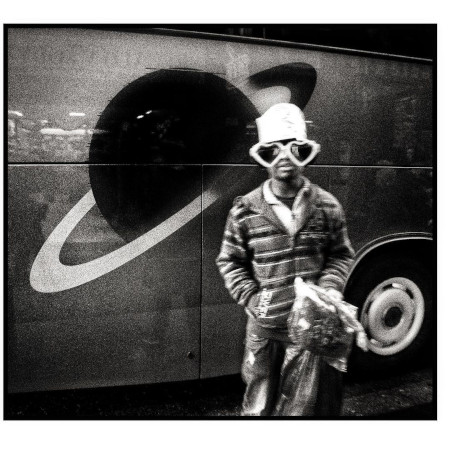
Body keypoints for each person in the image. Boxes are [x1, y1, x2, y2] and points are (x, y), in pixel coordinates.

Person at [216, 103, 355, 416]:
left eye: (294, 149)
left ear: (306, 152)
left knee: (301, 409)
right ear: (262, 157)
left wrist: (330, 287)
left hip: (309, 331)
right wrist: (252, 298)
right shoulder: (244, 211)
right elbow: (230, 261)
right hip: (264, 329)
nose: (284, 158)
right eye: (273, 151)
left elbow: (340, 254)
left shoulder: (327, 206)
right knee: (258, 406)